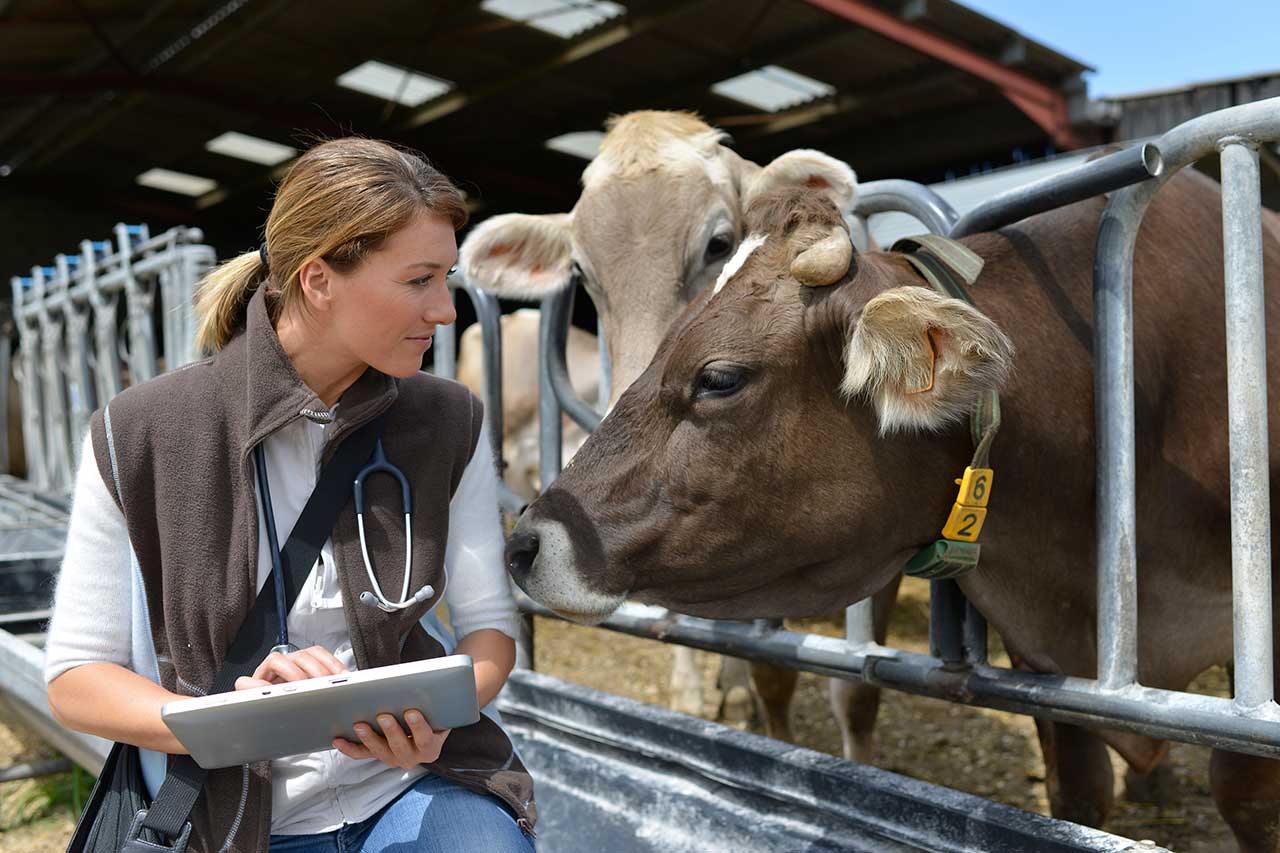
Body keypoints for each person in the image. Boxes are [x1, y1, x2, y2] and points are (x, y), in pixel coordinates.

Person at [43, 138, 536, 852]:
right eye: (419, 279)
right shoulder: (139, 433)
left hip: (402, 789)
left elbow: (489, 627)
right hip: (227, 817)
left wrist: (434, 721)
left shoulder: (448, 421)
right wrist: (224, 716)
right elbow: (74, 679)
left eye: (448, 278)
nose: (445, 309)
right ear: (318, 279)